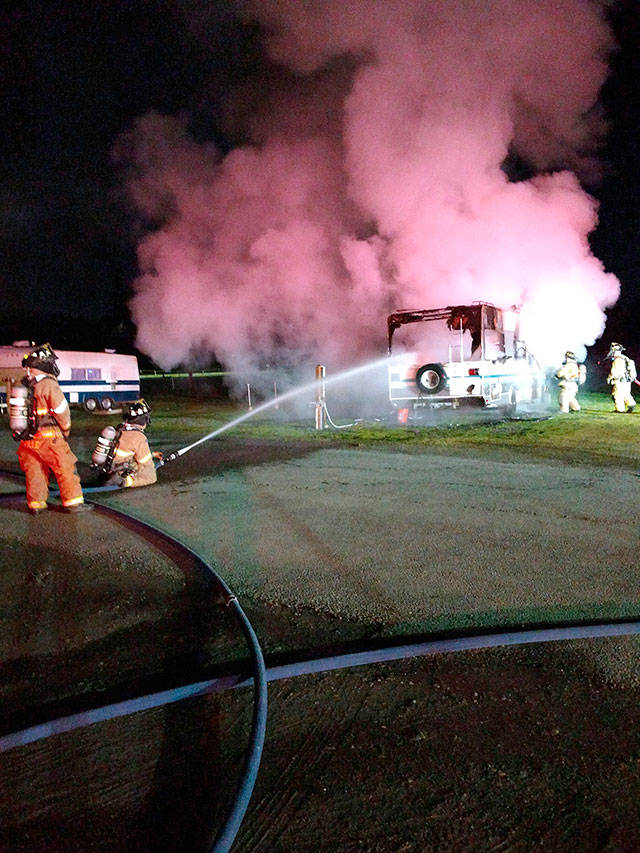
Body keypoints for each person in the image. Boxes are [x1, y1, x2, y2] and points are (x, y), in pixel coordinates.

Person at [14, 343, 92, 514]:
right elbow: (61, 410)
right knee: (65, 467)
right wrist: (66, 429)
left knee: (35, 472)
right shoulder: (49, 385)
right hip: (50, 438)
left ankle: (36, 504)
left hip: (28, 440)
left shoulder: (26, 385)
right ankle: (73, 503)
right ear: (46, 365)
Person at [97, 399, 162, 488]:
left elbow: (127, 448)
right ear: (144, 419)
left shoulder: (121, 428)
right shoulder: (138, 437)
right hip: (118, 470)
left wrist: (153, 454)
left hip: (108, 467)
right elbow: (145, 462)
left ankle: (113, 478)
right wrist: (151, 467)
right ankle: (124, 482)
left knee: (135, 463)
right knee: (151, 477)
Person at [606, 342, 637, 413]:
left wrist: (610, 378)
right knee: (626, 394)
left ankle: (620, 409)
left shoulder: (617, 359)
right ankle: (631, 404)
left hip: (619, 381)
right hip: (627, 381)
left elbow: (615, 371)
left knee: (617, 395)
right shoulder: (625, 358)